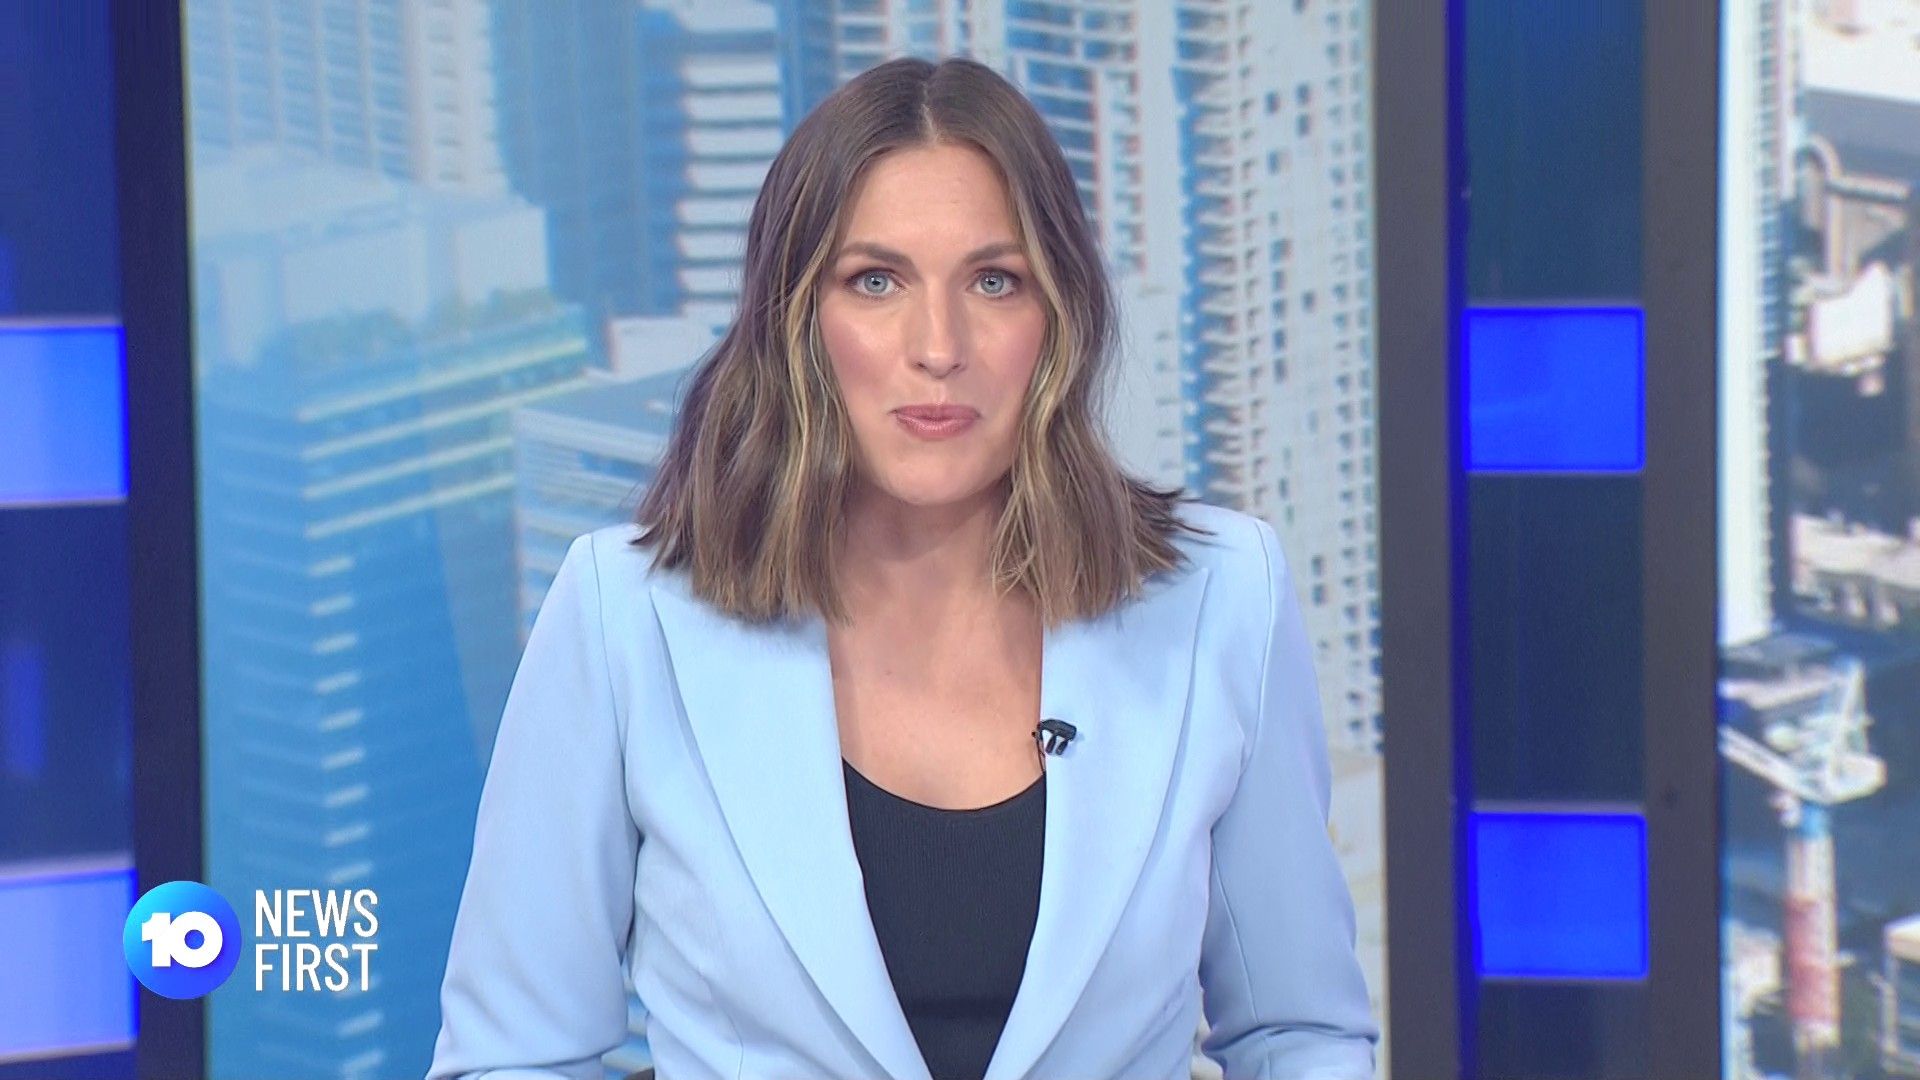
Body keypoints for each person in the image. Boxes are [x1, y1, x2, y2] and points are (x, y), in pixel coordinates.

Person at [428, 55, 1377, 1080]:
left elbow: (1297, 1034)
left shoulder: (1219, 599)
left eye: (994, 281)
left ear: (1059, 316)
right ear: (797, 317)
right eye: (875, 282)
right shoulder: (627, 617)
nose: (938, 346)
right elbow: (512, 1057)